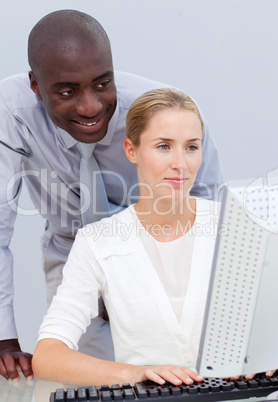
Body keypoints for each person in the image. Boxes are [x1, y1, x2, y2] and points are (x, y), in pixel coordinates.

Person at [0, 10, 224, 382]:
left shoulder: (161, 111)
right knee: (93, 377)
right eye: (67, 92)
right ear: (37, 87)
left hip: (162, 246)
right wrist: (4, 337)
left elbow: (208, 199)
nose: (90, 107)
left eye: (102, 84)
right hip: (74, 246)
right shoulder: (12, 111)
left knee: (194, 364)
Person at [32, 87, 217, 386]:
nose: (181, 164)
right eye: (163, 146)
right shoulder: (98, 242)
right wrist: (134, 374)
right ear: (132, 150)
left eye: (192, 147)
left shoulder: (233, 226)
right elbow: (47, 356)